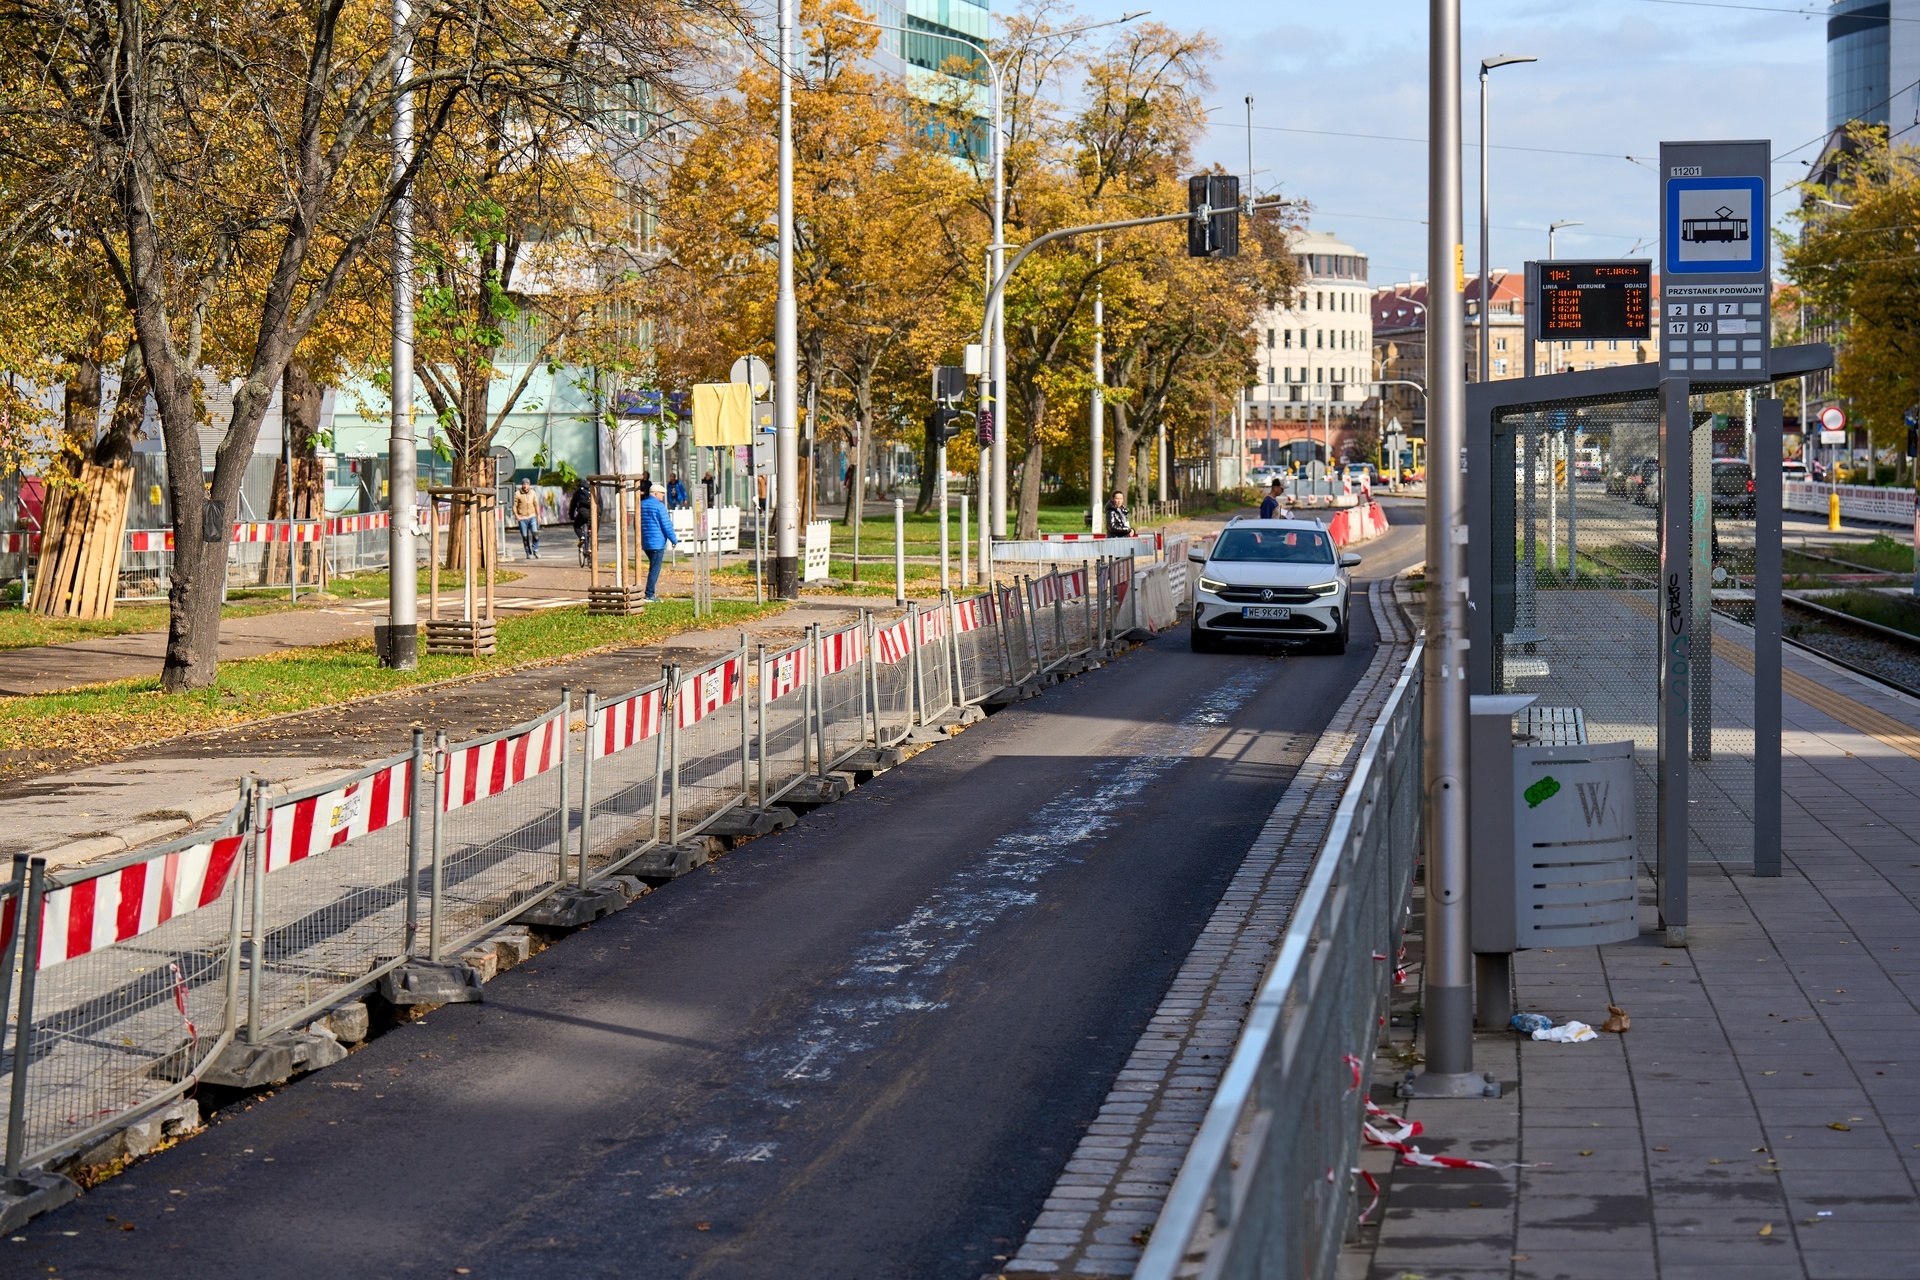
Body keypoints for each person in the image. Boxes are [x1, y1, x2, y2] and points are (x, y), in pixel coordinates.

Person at [638, 478, 677, 601]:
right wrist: (674, 539)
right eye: (662, 494)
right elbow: (666, 525)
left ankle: (649, 593)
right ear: (655, 494)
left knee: (652, 567)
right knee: (655, 569)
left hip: (646, 542)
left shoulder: (641, 505)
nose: (663, 496)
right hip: (657, 542)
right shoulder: (659, 507)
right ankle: (649, 594)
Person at [512, 478, 541, 559]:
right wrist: (516, 515)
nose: (525, 486)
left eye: (527, 484)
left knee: (535, 534)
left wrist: (538, 515)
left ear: (529, 485)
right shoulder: (517, 494)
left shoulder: (533, 493)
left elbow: (536, 504)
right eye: (524, 484)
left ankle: (535, 550)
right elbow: (514, 506)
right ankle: (528, 552)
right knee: (525, 536)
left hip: (532, 516)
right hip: (522, 517)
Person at [568, 480, 593, 554]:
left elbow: (573, 505)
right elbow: (600, 504)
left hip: (582, 513)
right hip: (593, 513)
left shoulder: (579, 492)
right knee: (592, 529)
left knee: (576, 525)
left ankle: (582, 537)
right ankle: (592, 548)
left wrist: (571, 515)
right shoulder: (594, 491)